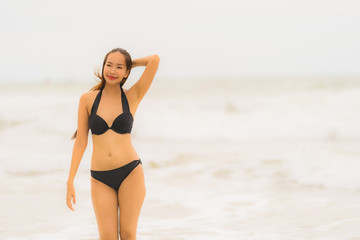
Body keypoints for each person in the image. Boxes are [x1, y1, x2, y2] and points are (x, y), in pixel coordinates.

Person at [66, 48, 160, 240]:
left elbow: (154, 60)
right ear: (103, 67)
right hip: (100, 179)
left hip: (130, 173)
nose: (112, 70)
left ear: (126, 72)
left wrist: (129, 63)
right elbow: (81, 142)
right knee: (107, 237)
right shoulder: (87, 100)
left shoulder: (132, 96)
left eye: (119, 67)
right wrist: (70, 181)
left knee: (127, 235)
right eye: (109, 65)